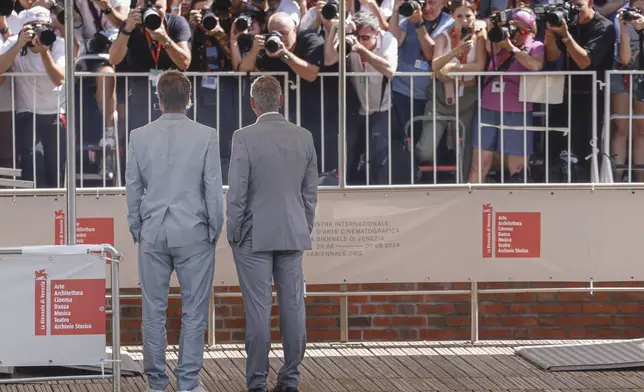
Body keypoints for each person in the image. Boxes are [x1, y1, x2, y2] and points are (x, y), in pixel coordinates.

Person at [125, 70, 224, 392]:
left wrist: (137, 226)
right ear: (189, 98)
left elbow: (133, 188)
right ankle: (188, 383)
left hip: (153, 229)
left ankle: (156, 383)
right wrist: (215, 227)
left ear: (159, 100)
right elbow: (212, 188)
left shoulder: (138, 136)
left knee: (153, 310)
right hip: (194, 230)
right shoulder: (206, 135)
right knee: (194, 311)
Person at [226, 75, 318, 392]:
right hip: (292, 231)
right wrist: (303, 226)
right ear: (280, 100)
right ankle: (290, 378)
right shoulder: (304, 136)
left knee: (258, 310)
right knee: (293, 307)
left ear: (253, 103)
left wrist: (233, 230)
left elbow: (236, 192)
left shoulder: (243, 137)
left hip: (253, 233)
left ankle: (256, 382)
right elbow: (310, 194)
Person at [469, 8, 544, 183]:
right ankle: (471, 205)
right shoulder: (499, 42)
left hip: (517, 110)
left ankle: (519, 208)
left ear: (531, 30)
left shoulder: (535, 46)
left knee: (518, 170)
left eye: (522, 29)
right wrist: (494, 26)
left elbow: (535, 66)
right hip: (487, 107)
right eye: (513, 27)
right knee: (479, 166)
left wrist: (511, 48)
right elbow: (489, 48)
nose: (516, 32)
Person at [324, 10, 398, 185]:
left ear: (376, 34)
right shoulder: (350, 39)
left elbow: (390, 70)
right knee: (349, 152)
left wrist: (361, 50)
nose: (361, 41)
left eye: (366, 38)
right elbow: (328, 60)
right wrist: (335, 30)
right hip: (358, 108)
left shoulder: (388, 39)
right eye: (359, 37)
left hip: (382, 107)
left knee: (379, 154)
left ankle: (381, 194)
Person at [544, 0, 615, 180]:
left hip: (592, 96)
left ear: (590, 2)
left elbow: (585, 62)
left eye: (578, 6)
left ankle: (590, 190)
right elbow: (553, 56)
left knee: (587, 149)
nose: (574, 10)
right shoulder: (568, 23)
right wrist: (550, 33)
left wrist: (566, 36)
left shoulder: (604, 26)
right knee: (557, 149)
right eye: (571, 5)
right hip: (566, 93)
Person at [0, 6, 66, 188]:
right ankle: (34, 209)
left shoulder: (58, 44)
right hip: (27, 112)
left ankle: (56, 210)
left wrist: (44, 52)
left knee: (55, 167)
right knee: (32, 166)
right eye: (34, 26)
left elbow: (59, 78)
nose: (40, 31)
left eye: (45, 26)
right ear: (24, 28)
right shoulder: (14, 42)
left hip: (54, 114)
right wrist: (19, 44)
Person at [610, 3, 644, 181]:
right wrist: (624, 28)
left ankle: (641, 181)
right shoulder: (623, 14)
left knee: (641, 130)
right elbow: (624, 58)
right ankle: (616, 179)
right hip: (623, 73)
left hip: (642, 73)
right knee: (620, 129)